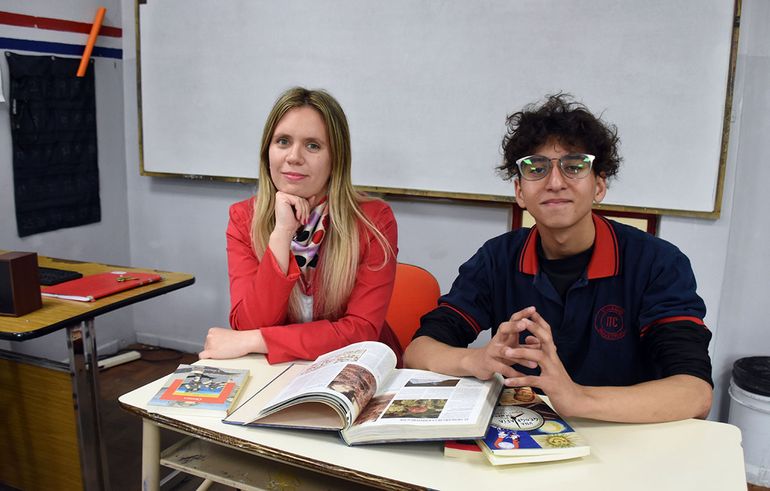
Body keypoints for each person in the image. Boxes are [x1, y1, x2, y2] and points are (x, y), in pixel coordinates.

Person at [403, 94, 713, 423]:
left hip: (622, 436)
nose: (554, 182)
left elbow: (694, 392)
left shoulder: (656, 263)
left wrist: (575, 398)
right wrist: (477, 361)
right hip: (522, 435)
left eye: (575, 166)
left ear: (599, 185)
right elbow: (419, 350)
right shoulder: (498, 257)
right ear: (520, 191)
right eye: (536, 168)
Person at [199, 87, 401, 364]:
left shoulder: (374, 220)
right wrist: (282, 233)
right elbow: (248, 323)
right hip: (278, 370)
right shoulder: (243, 219)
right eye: (282, 141)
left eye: (313, 145)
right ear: (267, 152)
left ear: (336, 159)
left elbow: (362, 331)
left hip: (354, 369)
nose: (294, 156)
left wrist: (259, 340)